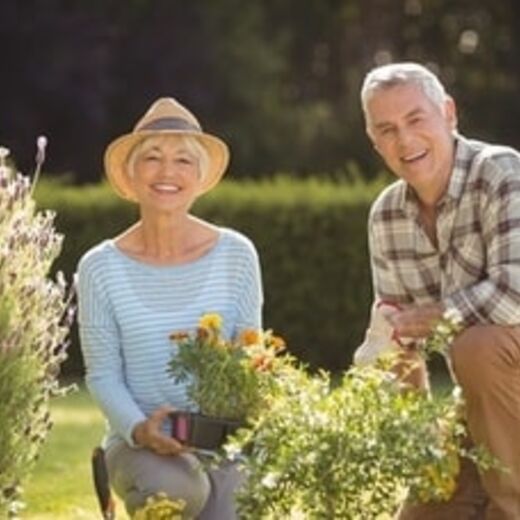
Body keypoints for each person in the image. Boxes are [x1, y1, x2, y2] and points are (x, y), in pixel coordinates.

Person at [77, 97, 263, 519]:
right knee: (177, 489)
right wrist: (142, 430)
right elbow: (103, 375)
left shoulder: (237, 255)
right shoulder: (99, 267)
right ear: (131, 173)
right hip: (137, 443)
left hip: (220, 441)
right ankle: (123, 477)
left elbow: (249, 361)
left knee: (238, 507)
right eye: (152, 158)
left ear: (199, 177)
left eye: (183, 160)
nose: (167, 172)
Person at [356, 62, 520, 518]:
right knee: (426, 510)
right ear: (374, 142)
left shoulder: (500, 172)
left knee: (478, 345)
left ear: (448, 113)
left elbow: (515, 295)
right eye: (387, 130)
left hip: (507, 377)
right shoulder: (386, 215)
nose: (404, 141)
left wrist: (439, 315)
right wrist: (423, 440)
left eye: (415, 119)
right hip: (481, 400)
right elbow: (398, 346)